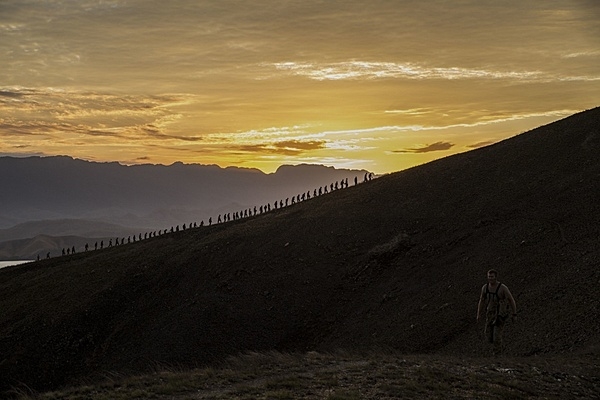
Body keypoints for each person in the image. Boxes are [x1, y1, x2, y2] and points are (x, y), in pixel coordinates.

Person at [477, 269, 517, 356]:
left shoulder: (503, 288)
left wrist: (514, 314)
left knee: (496, 337)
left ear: (496, 277)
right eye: (488, 277)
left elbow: (511, 300)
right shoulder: (485, 288)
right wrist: (479, 313)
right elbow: (482, 300)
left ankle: (497, 355)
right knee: (488, 336)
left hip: (500, 315)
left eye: (492, 277)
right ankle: (497, 349)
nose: (490, 278)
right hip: (490, 314)